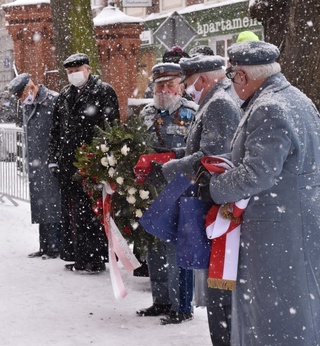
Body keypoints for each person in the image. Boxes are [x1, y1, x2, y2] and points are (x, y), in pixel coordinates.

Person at [195, 40, 320, 345]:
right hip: (296, 220)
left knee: (271, 316)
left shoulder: (269, 108)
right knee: (300, 307)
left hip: (276, 230)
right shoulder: (297, 99)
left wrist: (213, 187)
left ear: (242, 76)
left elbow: (258, 173)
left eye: (232, 76)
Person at [161, 53, 242, 344]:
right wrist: (179, 159)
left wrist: (173, 167)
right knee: (215, 288)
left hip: (218, 205)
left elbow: (212, 158)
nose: (186, 88)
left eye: (187, 81)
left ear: (202, 79)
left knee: (220, 291)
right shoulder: (213, 101)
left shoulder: (218, 104)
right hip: (213, 202)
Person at [135, 63, 198, 324]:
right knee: (155, 247)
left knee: (176, 249)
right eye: (159, 84)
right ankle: (160, 301)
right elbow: (135, 144)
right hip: (151, 189)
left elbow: (198, 151)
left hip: (180, 188)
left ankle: (180, 306)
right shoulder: (146, 113)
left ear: (181, 86)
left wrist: (171, 159)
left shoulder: (192, 113)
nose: (163, 89)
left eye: (169, 84)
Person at [48, 53, 119, 273]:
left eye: (76, 71)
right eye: (69, 72)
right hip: (69, 163)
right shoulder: (64, 95)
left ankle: (95, 257)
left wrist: (104, 156)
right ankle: (77, 255)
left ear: (88, 69)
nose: (73, 76)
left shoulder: (103, 91)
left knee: (92, 211)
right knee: (72, 211)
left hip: (92, 161)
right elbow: (56, 129)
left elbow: (112, 125)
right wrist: (54, 158)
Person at [8, 73, 62, 259]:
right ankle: (45, 246)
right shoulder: (28, 105)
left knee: (53, 204)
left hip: (50, 160)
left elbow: (60, 131)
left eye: (22, 96)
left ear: (30, 88)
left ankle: (56, 246)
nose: (22, 100)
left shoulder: (53, 101)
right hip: (36, 162)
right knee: (41, 205)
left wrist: (55, 158)